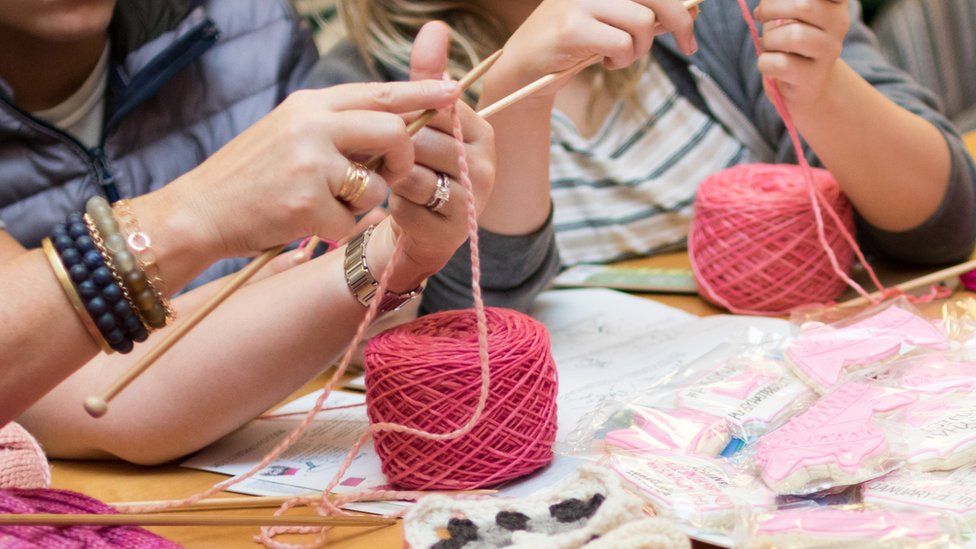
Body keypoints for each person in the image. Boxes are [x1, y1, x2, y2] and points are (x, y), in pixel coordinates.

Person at [0, 1, 504, 465]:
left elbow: (317, 274)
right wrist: (200, 210)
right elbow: (78, 395)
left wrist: (395, 252)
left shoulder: (246, 20)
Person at [320, 0, 976, 271]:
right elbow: (451, 326)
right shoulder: (370, 89)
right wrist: (517, 94)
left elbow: (948, 225)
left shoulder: (712, 13)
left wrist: (820, 83)